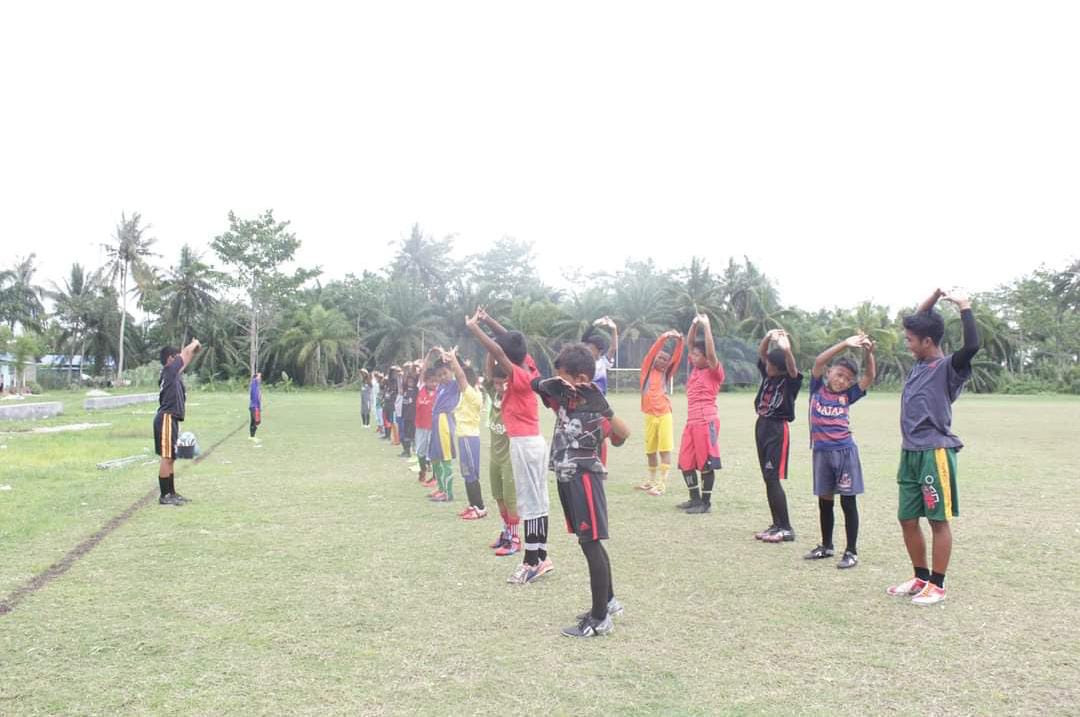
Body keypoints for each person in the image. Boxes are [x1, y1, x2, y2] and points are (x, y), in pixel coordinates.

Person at [887, 289, 979, 606]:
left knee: (937, 520)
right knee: (907, 518)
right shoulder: (919, 363)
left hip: (934, 452)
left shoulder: (947, 368)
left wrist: (964, 306)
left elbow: (972, 346)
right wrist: (936, 296)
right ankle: (920, 577)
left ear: (927, 341)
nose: (907, 343)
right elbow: (918, 316)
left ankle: (937, 585)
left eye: (910, 340)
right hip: (910, 452)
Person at [532, 343, 630, 638]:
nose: (559, 381)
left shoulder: (594, 405)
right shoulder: (565, 399)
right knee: (589, 543)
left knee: (591, 544)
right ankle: (608, 602)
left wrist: (605, 410)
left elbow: (622, 435)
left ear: (582, 378)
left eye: (563, 377)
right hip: (566, 477)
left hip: (585, 478)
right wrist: (548, 384)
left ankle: (600, 618)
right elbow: (534, 383)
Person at [466, 306, 551, 584]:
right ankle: (541, 557)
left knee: (531, 507)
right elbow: (510, 342)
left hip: (525, 445)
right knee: (538, 505)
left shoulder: (519, 375)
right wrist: (488, 320)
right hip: (532, 443)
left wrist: (475, 328)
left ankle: (531, 562)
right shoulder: (529, 365)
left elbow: (499, 350)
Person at [804, 335, 876, 569]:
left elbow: (869, 377)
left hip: (844, 453)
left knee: (848, 501)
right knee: (825, 500)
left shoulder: (848, 395)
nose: (842, 381)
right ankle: (826, 546)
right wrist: (845, 344)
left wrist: (869, 353)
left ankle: (851, 551)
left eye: (847, 379)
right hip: (821, 453)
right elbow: (818, 361)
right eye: (838, 375)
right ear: (829, 372)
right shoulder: (817, 388)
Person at [753, 329, 803, 543]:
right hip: (762, 425)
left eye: (771, 364)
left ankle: (786, 528)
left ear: (778, 368)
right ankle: (776, 524)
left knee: (773, 478)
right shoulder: (768, 376)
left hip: (777, 429)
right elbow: (762, 353)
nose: (767, 366)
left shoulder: (790, 381)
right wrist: (768, 336)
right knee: (767, 478)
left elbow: (792, 367)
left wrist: (787, 350)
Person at [676, 314, 725, 514]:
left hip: (707, 421)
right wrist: (694, 324)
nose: (693, 357)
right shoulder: (696, 369)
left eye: (698, 355)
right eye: (693, 355)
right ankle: (694, 499)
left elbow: (711, 353)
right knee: (685, 461)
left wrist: (706, 326)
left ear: (706, 358)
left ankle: (706, 503)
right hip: (692, 421)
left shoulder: (714, 371)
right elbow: (689, 343)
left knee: (706, 462)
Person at [635, 329, 684, 496]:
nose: (662, 360)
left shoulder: (667, 373)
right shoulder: (646, 370)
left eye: (665, 359)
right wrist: (664, 337)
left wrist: (680, 341)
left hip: (664, 414)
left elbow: (677, 358)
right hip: (649, 415)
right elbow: (652, 352)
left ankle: (662, 484)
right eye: (660, 357)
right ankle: (651, 481)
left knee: (664, 450)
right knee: (650, 451)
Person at [154, 338, 201, 506]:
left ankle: (171, 493)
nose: (179, 361)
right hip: (166, 417)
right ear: (170, 359)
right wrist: (194, 344)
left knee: (171, 457)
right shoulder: (169, 370)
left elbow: (186, 358)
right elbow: (185, 353)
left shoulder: (172, 373)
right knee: (167, 457)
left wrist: (193, 351)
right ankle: (165, 495)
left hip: (171, 418)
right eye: (176, 357)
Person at [486, 358, 520, 555]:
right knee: (498, 497)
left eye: (502, 383)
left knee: (510, 499)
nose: (499, 387)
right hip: (495, 457)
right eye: (496, 383)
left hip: (509, 458)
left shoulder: (513, 399)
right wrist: (491, 352)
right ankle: (506, 532)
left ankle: (515, 538)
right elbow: (489, 373)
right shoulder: (494, 396)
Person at [447, 352, 486, 519]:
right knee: (466, 473)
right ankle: (472, 505)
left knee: (471, 474)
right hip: (464, 437)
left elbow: (461, 375)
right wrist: (454, 358)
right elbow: (462, 373)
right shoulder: (468, 393)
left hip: (469, 438)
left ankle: (480, 507)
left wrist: (453, 359)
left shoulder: (473, 395)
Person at [426, 351, 461, 502]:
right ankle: (440, 488)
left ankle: (448, 493)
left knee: (445, 458)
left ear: (451, 371)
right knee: (434, 458)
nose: (442, 377)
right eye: (439, 375)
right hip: (435, 422)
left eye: (445, 373)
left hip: (444, 422)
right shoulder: (441, 387)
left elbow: (460, 373)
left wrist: (453, 359)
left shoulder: (455, 385)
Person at [414, 362, 438, 487]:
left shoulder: (439, 392)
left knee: (434, 451)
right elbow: (423, 370)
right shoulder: (421, 388)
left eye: (435, 381)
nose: (433, 384)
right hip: (420, 426)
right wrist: (429, 353)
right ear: (425, 381)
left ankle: (435, 476)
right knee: (420, 451)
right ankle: (422, 471)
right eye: (431, 381)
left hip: (434, 427)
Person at [583, 316, 618, 394]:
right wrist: (594, 325)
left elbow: (613, 348)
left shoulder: (604, 362)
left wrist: (614, 329)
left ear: (599, 351)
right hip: (586, 396)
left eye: (591, 348)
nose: (588, 350)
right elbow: (583, 339)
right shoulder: (585, 361)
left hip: (600, 397)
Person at [399, 368, 418, 459]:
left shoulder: (416, 390)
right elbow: (402, 382)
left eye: (412, 381)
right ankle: (407, 451)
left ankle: (415, 452)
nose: (410, 382)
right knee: (406, 435)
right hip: (406, 416)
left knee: (413, 435)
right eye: (408, 380)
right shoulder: (405, 390)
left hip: (413, 416)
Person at [248, 371, 262, 441]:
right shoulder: (254, 384)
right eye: (259, 377)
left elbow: (259, 398)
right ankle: (252, 436)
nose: (260, 378)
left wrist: (259, 408)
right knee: (256, 421)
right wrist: (256, 377)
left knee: (256, 422)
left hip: (256, 407)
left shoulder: (257, 386)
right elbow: (254, 380)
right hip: (253, 407)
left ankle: (252, 436)